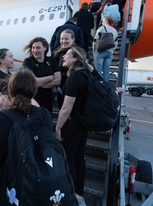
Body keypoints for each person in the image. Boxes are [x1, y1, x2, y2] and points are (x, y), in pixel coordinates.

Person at [0, 68, 52, 206]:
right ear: (34, 91)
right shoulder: (44, 115)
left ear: (9, 90)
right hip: (35, 185)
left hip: (5, 189)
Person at [55, 45, 94, 198]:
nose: (63, 57)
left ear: (75, 59)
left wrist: (58, 127)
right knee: (78, 157)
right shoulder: (86, 74)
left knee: (69, 158)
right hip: (82, 124)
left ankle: (69, 192)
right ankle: (79, 191)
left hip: (71, 125)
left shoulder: (74, 78)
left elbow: (66, 109)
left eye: (67, 55)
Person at [23, 37, 61, 113]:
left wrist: (39, 83)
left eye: (38, 48)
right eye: (33, 48)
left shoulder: (51, 61)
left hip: (48, 102)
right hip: (33, 101)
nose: (35, 50)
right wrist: (50, 77)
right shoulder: (28, 62)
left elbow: (58, 81)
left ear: (45, 48)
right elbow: (33, 82)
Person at [53, 29, 75, 108]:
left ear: (73, 40)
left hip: (71, 89)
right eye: (62, 39)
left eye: (66, 39)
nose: (63, 41)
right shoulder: (59, 53)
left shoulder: (77, 52)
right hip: (61, 88)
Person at [93, 16, 118, 82]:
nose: (102, 22)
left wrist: (94, 49)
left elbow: (95, 40)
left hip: (100, 51)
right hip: (109, 52)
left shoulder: (101, 28)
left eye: (103, 20)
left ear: (106, 20)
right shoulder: (114, 30)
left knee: (98, 69)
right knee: (106, 70)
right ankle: (105, 85)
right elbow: (116, 42)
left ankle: (99, 84)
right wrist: (112, 50)